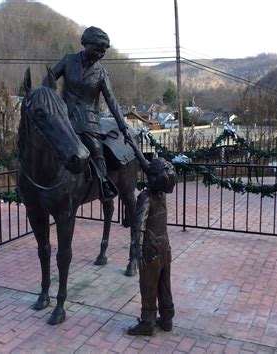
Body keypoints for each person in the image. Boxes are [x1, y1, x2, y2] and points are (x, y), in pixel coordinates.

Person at [43, 26, 128, 200]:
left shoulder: (102, 73)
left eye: (103, 51)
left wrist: (123, 125)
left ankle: (104, 182)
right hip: (64, 118)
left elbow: (111, 100)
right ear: (85, 44)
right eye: (97, 49)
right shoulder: (68, 61)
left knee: (96, 150)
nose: (100, 54)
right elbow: (48, 82)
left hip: (89, 122)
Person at [127, 157, 177, 336]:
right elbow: (148, 166)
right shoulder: (161, 194)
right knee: (164, 285)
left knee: (148, 286)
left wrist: (136, 246)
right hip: (165, 248)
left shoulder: (145, 197)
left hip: (150, 250)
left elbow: (140, 224)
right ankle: (166, 319)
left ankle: (147, 322)